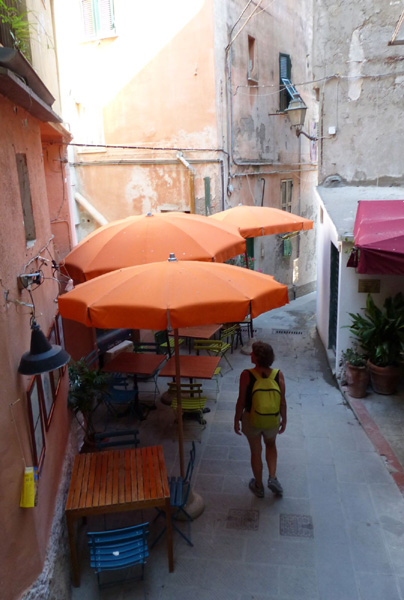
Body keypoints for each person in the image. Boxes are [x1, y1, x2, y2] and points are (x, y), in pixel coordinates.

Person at [234, 341, 287, 498]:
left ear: (257, 358)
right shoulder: (278, 374)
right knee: (271, 445)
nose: (251, 354)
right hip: (272, 419)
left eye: (253, 353)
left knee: (256, 451)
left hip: (251, 419)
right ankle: (273, 477)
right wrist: (284, 419)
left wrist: (236, 419)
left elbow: (241, 401)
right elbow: (282, 401)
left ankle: (258, 485)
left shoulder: (246, 375)